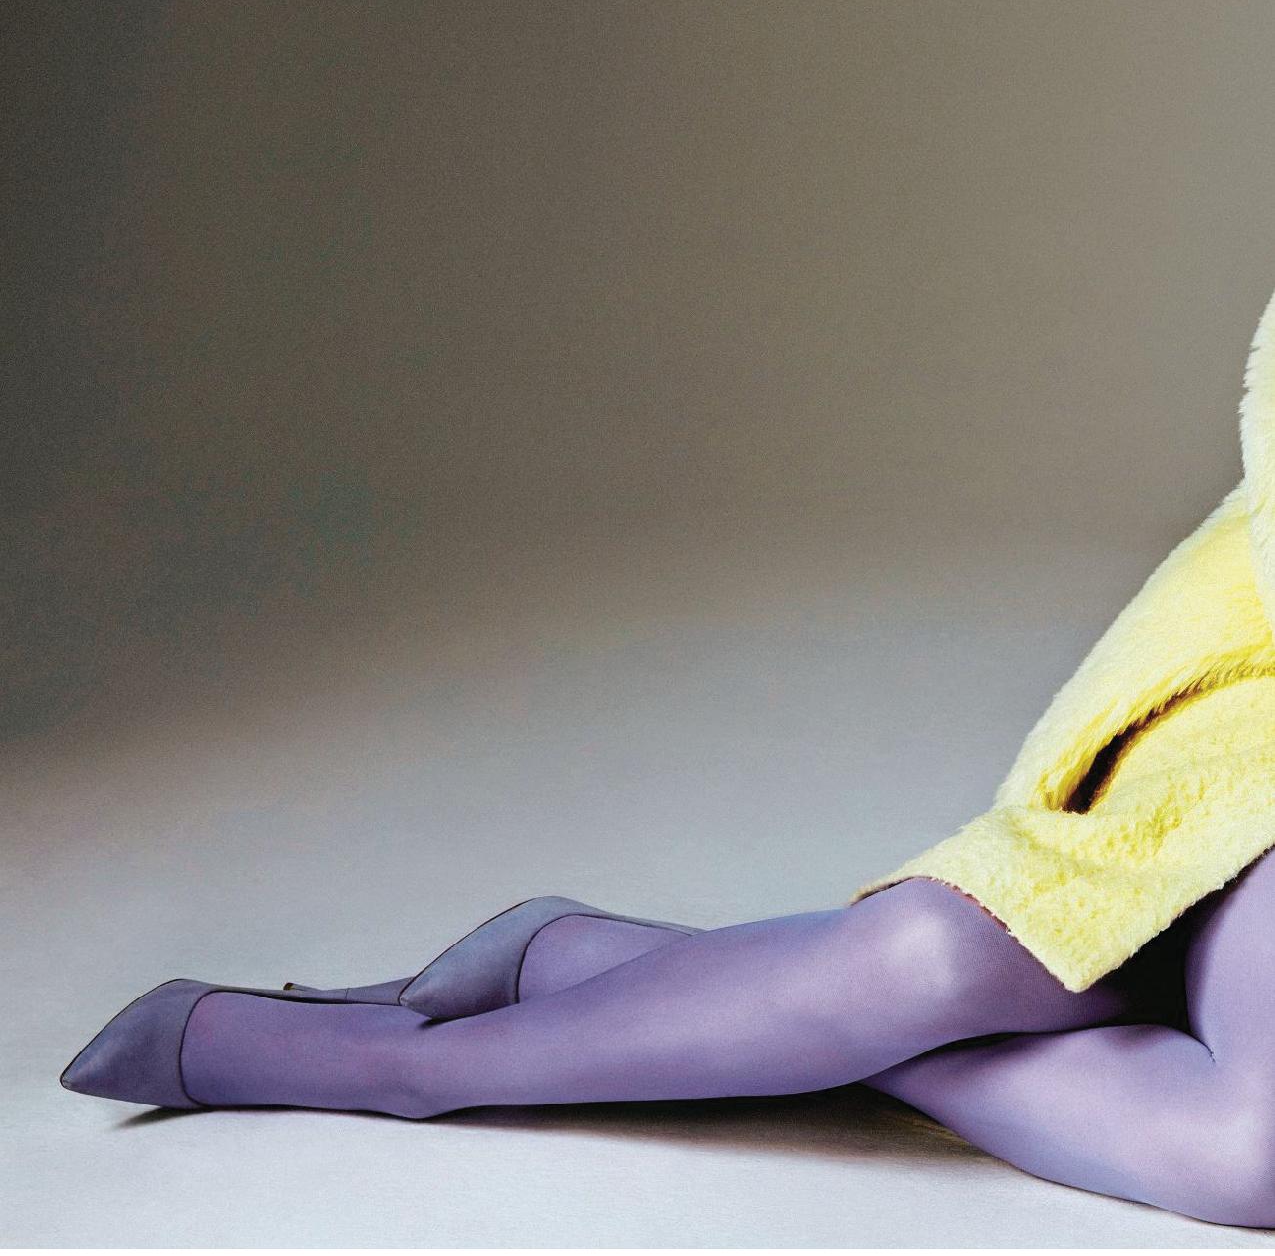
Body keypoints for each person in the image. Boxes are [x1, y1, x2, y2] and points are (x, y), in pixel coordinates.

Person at [61, 287, 1275, 1228]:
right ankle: (412, 1069)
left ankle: (649, 981)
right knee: (941, 957)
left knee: (1253, 1157)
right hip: (1247, 723)